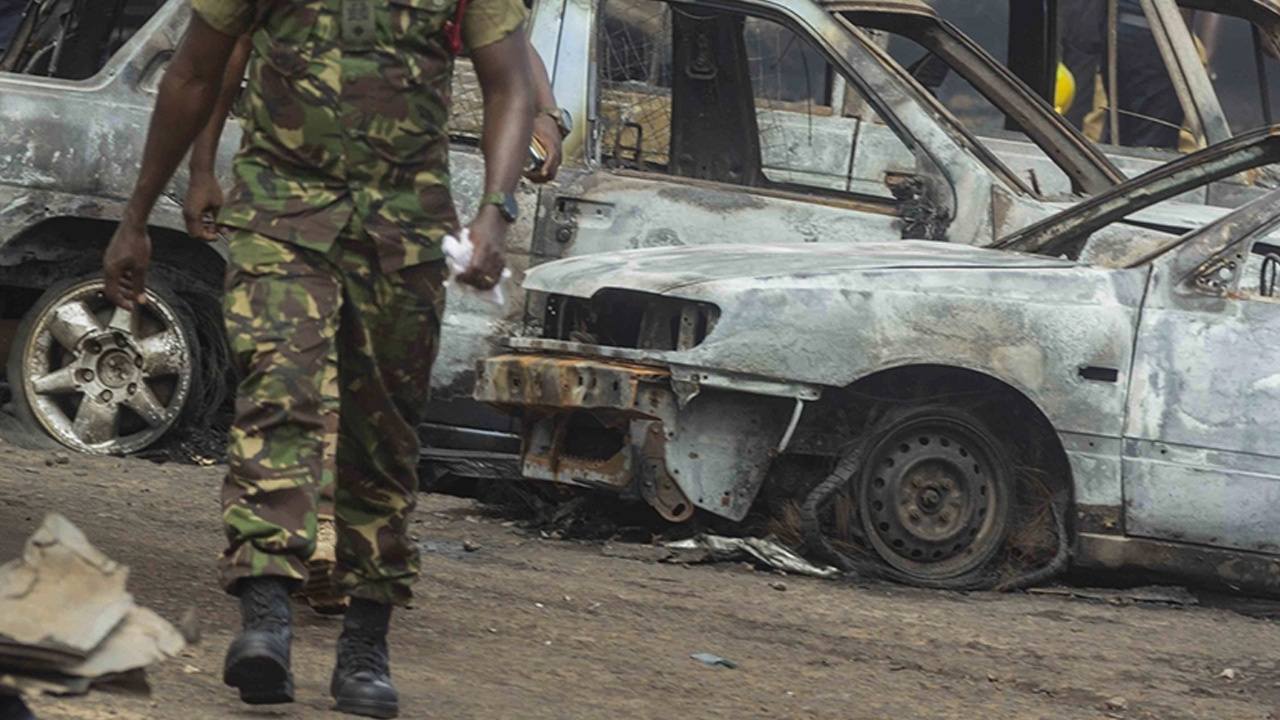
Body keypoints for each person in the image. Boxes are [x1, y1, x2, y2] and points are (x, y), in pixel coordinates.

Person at [99, 0, 535, 713]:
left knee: (383, 436)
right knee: (280, 394)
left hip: (403, 233)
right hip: (279, 218)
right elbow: (194, 73)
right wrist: (136, 216)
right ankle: (266, 615)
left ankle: (365, 644)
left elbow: (511, 83)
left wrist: (495, 209)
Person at [181, 32, 569, 616]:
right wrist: (201, 166)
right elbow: (220, 58)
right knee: (294, 382)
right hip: (287, 210)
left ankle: (332, 553)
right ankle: (306, 546)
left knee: (367, 395)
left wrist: (547, 115)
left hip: (392, 221)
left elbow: (507, 48)